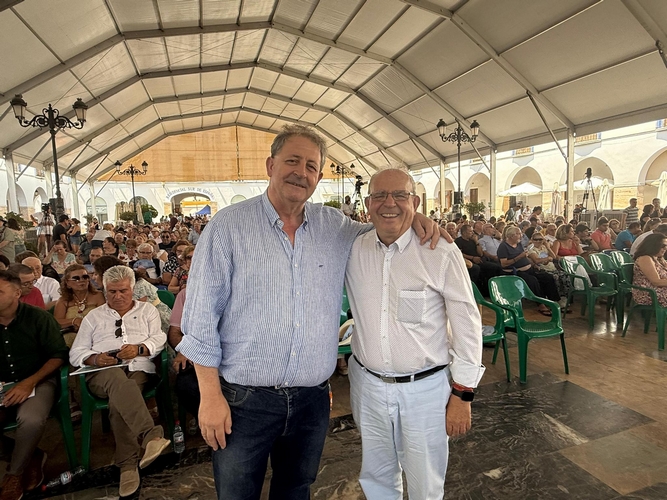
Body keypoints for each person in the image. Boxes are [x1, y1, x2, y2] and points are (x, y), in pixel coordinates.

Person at [177, 124, 447, 500]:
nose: (301, 173)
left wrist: (411, 215)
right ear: (270, 165)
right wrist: (210, 396)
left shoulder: (334, 226)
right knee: (237, 495)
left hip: (311, 402)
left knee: (296, 490)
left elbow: (384, 225)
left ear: (318, 177)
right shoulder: (228, 227)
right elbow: (200, 320)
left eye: (311, 166)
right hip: (244, 402)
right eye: (292, 161)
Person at [345, 169, 484, 499]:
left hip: (425, 390)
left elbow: (467, 324)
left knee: (425, 483)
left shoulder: (440, 251)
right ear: (368, 203)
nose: (389, 203)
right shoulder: (352, 249)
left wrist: (463, 394)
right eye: (379, 195)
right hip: (368, 386)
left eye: (400, 195)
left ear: (416, 202)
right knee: (377, 476)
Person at [69, 266, 171, 497]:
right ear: (104, 290)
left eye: (123, 291)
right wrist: (96, 358)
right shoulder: (94, 317)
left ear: (132, 289)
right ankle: (151, 435)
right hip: (102, 373)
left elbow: (159, 338)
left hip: (138, 367)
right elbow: (76, 353)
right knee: (117, 378)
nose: (117, 296)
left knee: (121, 399)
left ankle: (127, 465)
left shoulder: (147, 311)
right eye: (112, 291)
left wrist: (139, 348)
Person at [0, 271, 69, 500]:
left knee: (30, 419)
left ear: (16, 293)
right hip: (3, 385)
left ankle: (14, 474)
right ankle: (31, 456)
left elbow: (58, 355)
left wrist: (28, 383)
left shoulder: (38, 317)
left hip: (39, 379)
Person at [497, 226, 560, 316]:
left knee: (547, 277)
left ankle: (553, 301)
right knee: (532, 281)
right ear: (511, 236)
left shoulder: (518, 244)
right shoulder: (503, 246)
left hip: (529, 269)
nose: (521, 235)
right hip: (514, 272)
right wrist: (519, 257)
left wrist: (533, 264)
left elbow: (525, 257)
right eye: (518, 234)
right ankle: (541, 305)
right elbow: (504, 264)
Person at [167, 289, 200, 424]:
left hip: (231, 358)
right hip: (195, 355)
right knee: (185, 385)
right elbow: (174, 333)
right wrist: (185, 349)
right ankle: (202, 419)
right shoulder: (186, 294)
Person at [53, 264, 105, 346]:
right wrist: (74, 321)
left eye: (85, 277)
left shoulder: (98, 296)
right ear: (67, 283)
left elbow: (104, 318)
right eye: (76, 278)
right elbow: (56, 322)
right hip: (70, 336)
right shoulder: (63, 301)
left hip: (95, 335)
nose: (81, 280)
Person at [631, 233, 667, 307]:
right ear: (654, 245)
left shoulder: (659, 259)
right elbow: (656, 282)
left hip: (660, 290)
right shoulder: (645, 258)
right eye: (663, 246)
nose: (665, 248)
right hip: (649, 293)